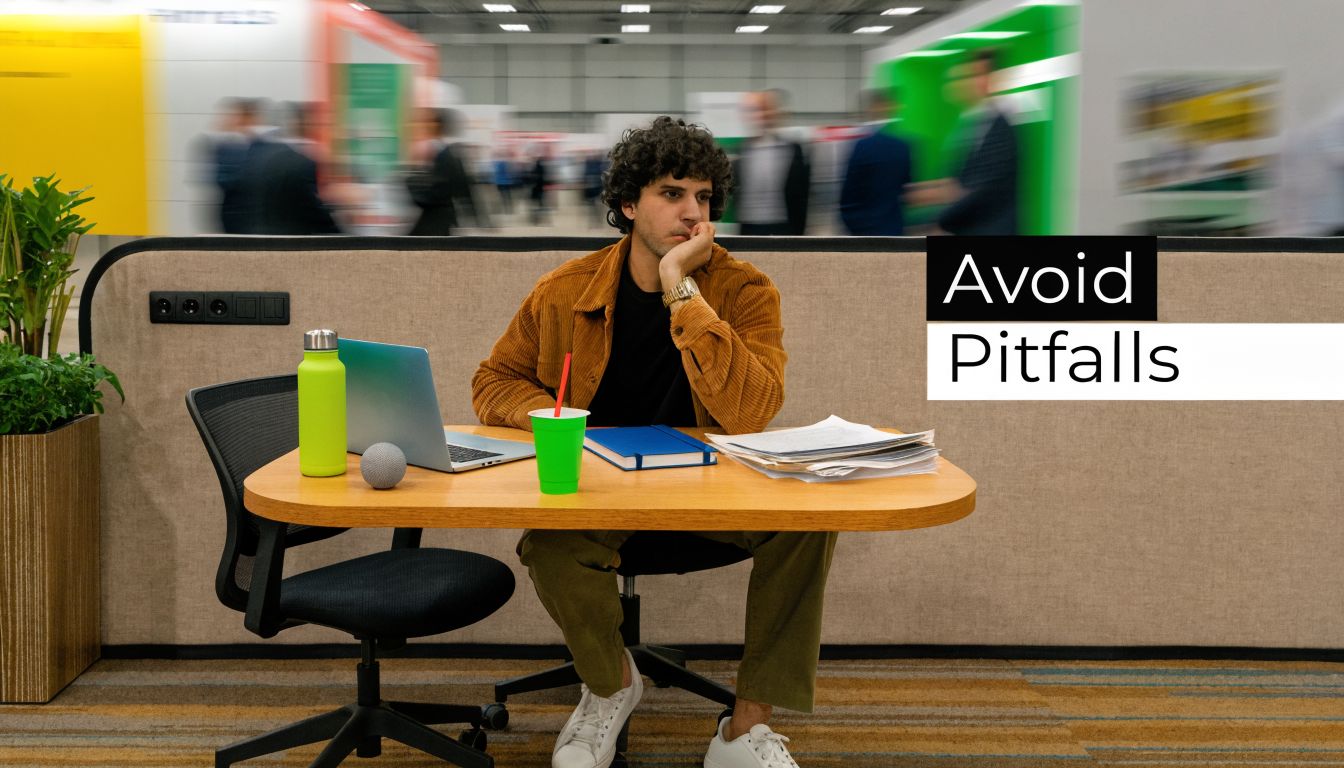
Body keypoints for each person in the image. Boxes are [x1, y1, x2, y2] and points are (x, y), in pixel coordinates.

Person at [472, 116, 836, 768]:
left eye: (703, 198)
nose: (693, 213)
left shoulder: (746, 291)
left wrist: (681, 285)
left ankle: (743, 729)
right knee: (547, 545)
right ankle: (611, 685)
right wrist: (553, 420)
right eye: (673, 194)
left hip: (708, 495)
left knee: (809, 522)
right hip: (600, 493)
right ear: (627, 203)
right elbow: (493, 380)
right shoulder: (564, 294)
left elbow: (751, 411)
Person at [914, 48, 1020, 235]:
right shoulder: (975, 122)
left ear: (996, 78)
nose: (971, 83)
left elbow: (984, 189)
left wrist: (941, 221)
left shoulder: (1003, 126)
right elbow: (963, 181)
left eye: (979, 74)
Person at [734, 89, 810, 235]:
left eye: (768, 109)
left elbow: (802, 196)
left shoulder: (792, 149)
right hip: (750, 226)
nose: (764, 115)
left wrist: (799, 232)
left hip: (783, 226)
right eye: (760, 110)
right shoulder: (745, 149)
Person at [839, 88, 914, 235]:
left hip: (864, 228)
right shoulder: (904, 145)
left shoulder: (862, 144)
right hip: (894, 226)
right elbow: (906, 187)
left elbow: (849, 194)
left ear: (873, 107)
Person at [405, 108, 477, 236]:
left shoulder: (445, 152)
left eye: (426, 122)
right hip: (429, 213)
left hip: (436, 215)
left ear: (436, 125)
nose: (420, 125)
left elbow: (460, 185)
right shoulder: (434, 150)